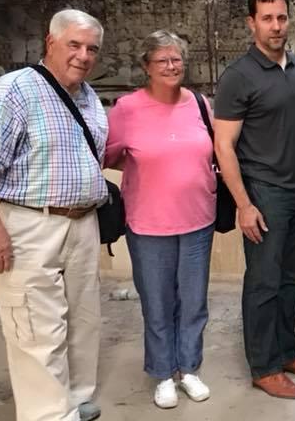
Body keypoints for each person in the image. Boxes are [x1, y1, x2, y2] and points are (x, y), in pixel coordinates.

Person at [0, 9, 107, 421]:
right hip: (31, 224)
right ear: (50, 42)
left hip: (82, 222)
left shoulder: (88, 96)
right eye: (74, 44)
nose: (83, 56)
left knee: (83, 321)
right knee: (35, 326)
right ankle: (48, 415)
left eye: (91, 49)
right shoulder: (11, 91)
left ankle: (75, 400)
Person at [213, 0, 295, 399]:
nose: (276, 26)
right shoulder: (238, 77)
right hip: (264, 194)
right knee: (263, 282)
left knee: (294, 277)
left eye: (281, 17)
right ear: (252, 23)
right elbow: (223, 144)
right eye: (267, 18)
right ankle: (263, 367)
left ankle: (286, 350)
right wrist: (244, 204)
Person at [105, 31, 215, 409]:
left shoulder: (200, 103)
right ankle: (164, 373)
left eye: (177, 59)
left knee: (194, 302)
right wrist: (144, 166)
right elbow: (108, 155)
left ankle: (189, 369)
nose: (171, 66)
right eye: (162, 60)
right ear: (146, 67)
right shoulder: (127, 109)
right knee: (157, 302)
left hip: (198, 220)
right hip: (148, 224)